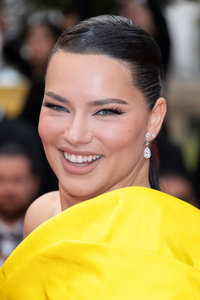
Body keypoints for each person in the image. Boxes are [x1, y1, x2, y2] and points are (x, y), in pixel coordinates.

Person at [0, 15, 200, 299]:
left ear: (154, 119)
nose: (75, 134)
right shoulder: (42, 215)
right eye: (57, 106)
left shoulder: (183, 244)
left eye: (106, 111)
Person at [0, 143, 40, 266]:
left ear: (35, 184)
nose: (9, 189)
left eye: (18, 180)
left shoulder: (47, 234)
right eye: (1, 180)